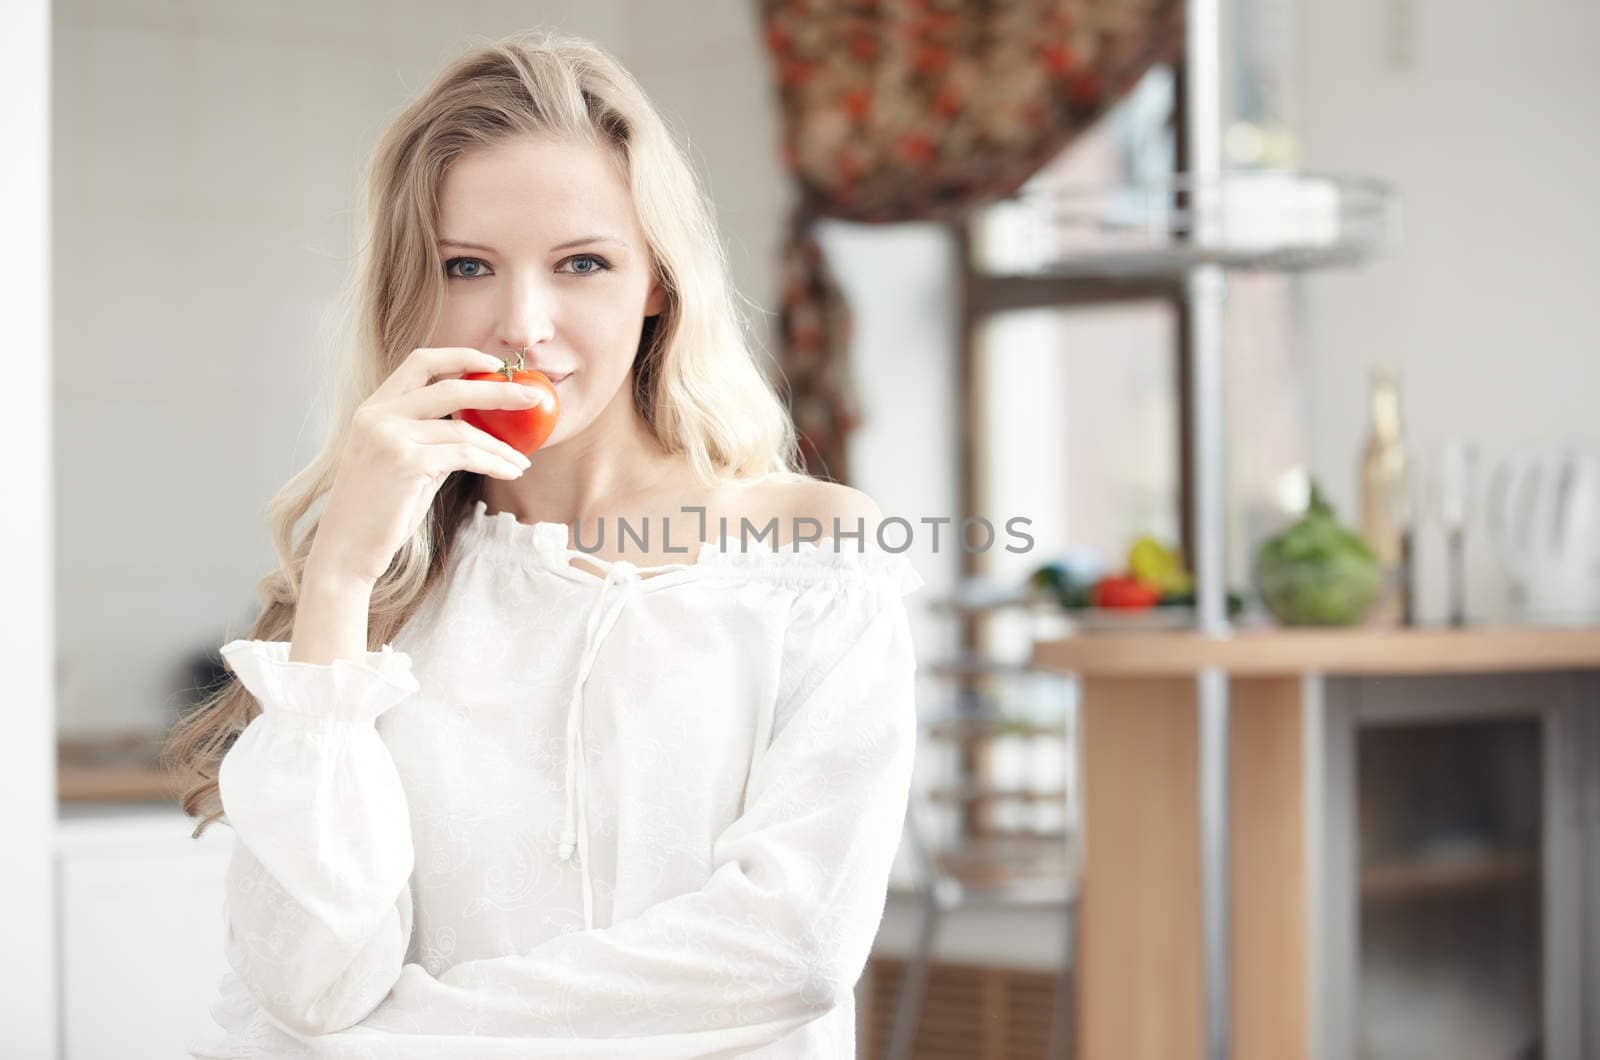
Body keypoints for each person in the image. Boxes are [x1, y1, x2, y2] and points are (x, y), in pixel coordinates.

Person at [161, 27, 924, 1060]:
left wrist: (376, 1042)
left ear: (657, 280)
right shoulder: (387, 583)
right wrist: (339, 573)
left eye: (582, 264)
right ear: (412, 286)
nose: (522, 323)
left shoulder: (809, 555)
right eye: (467, 264)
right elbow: (305, 981)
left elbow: (788, 952)